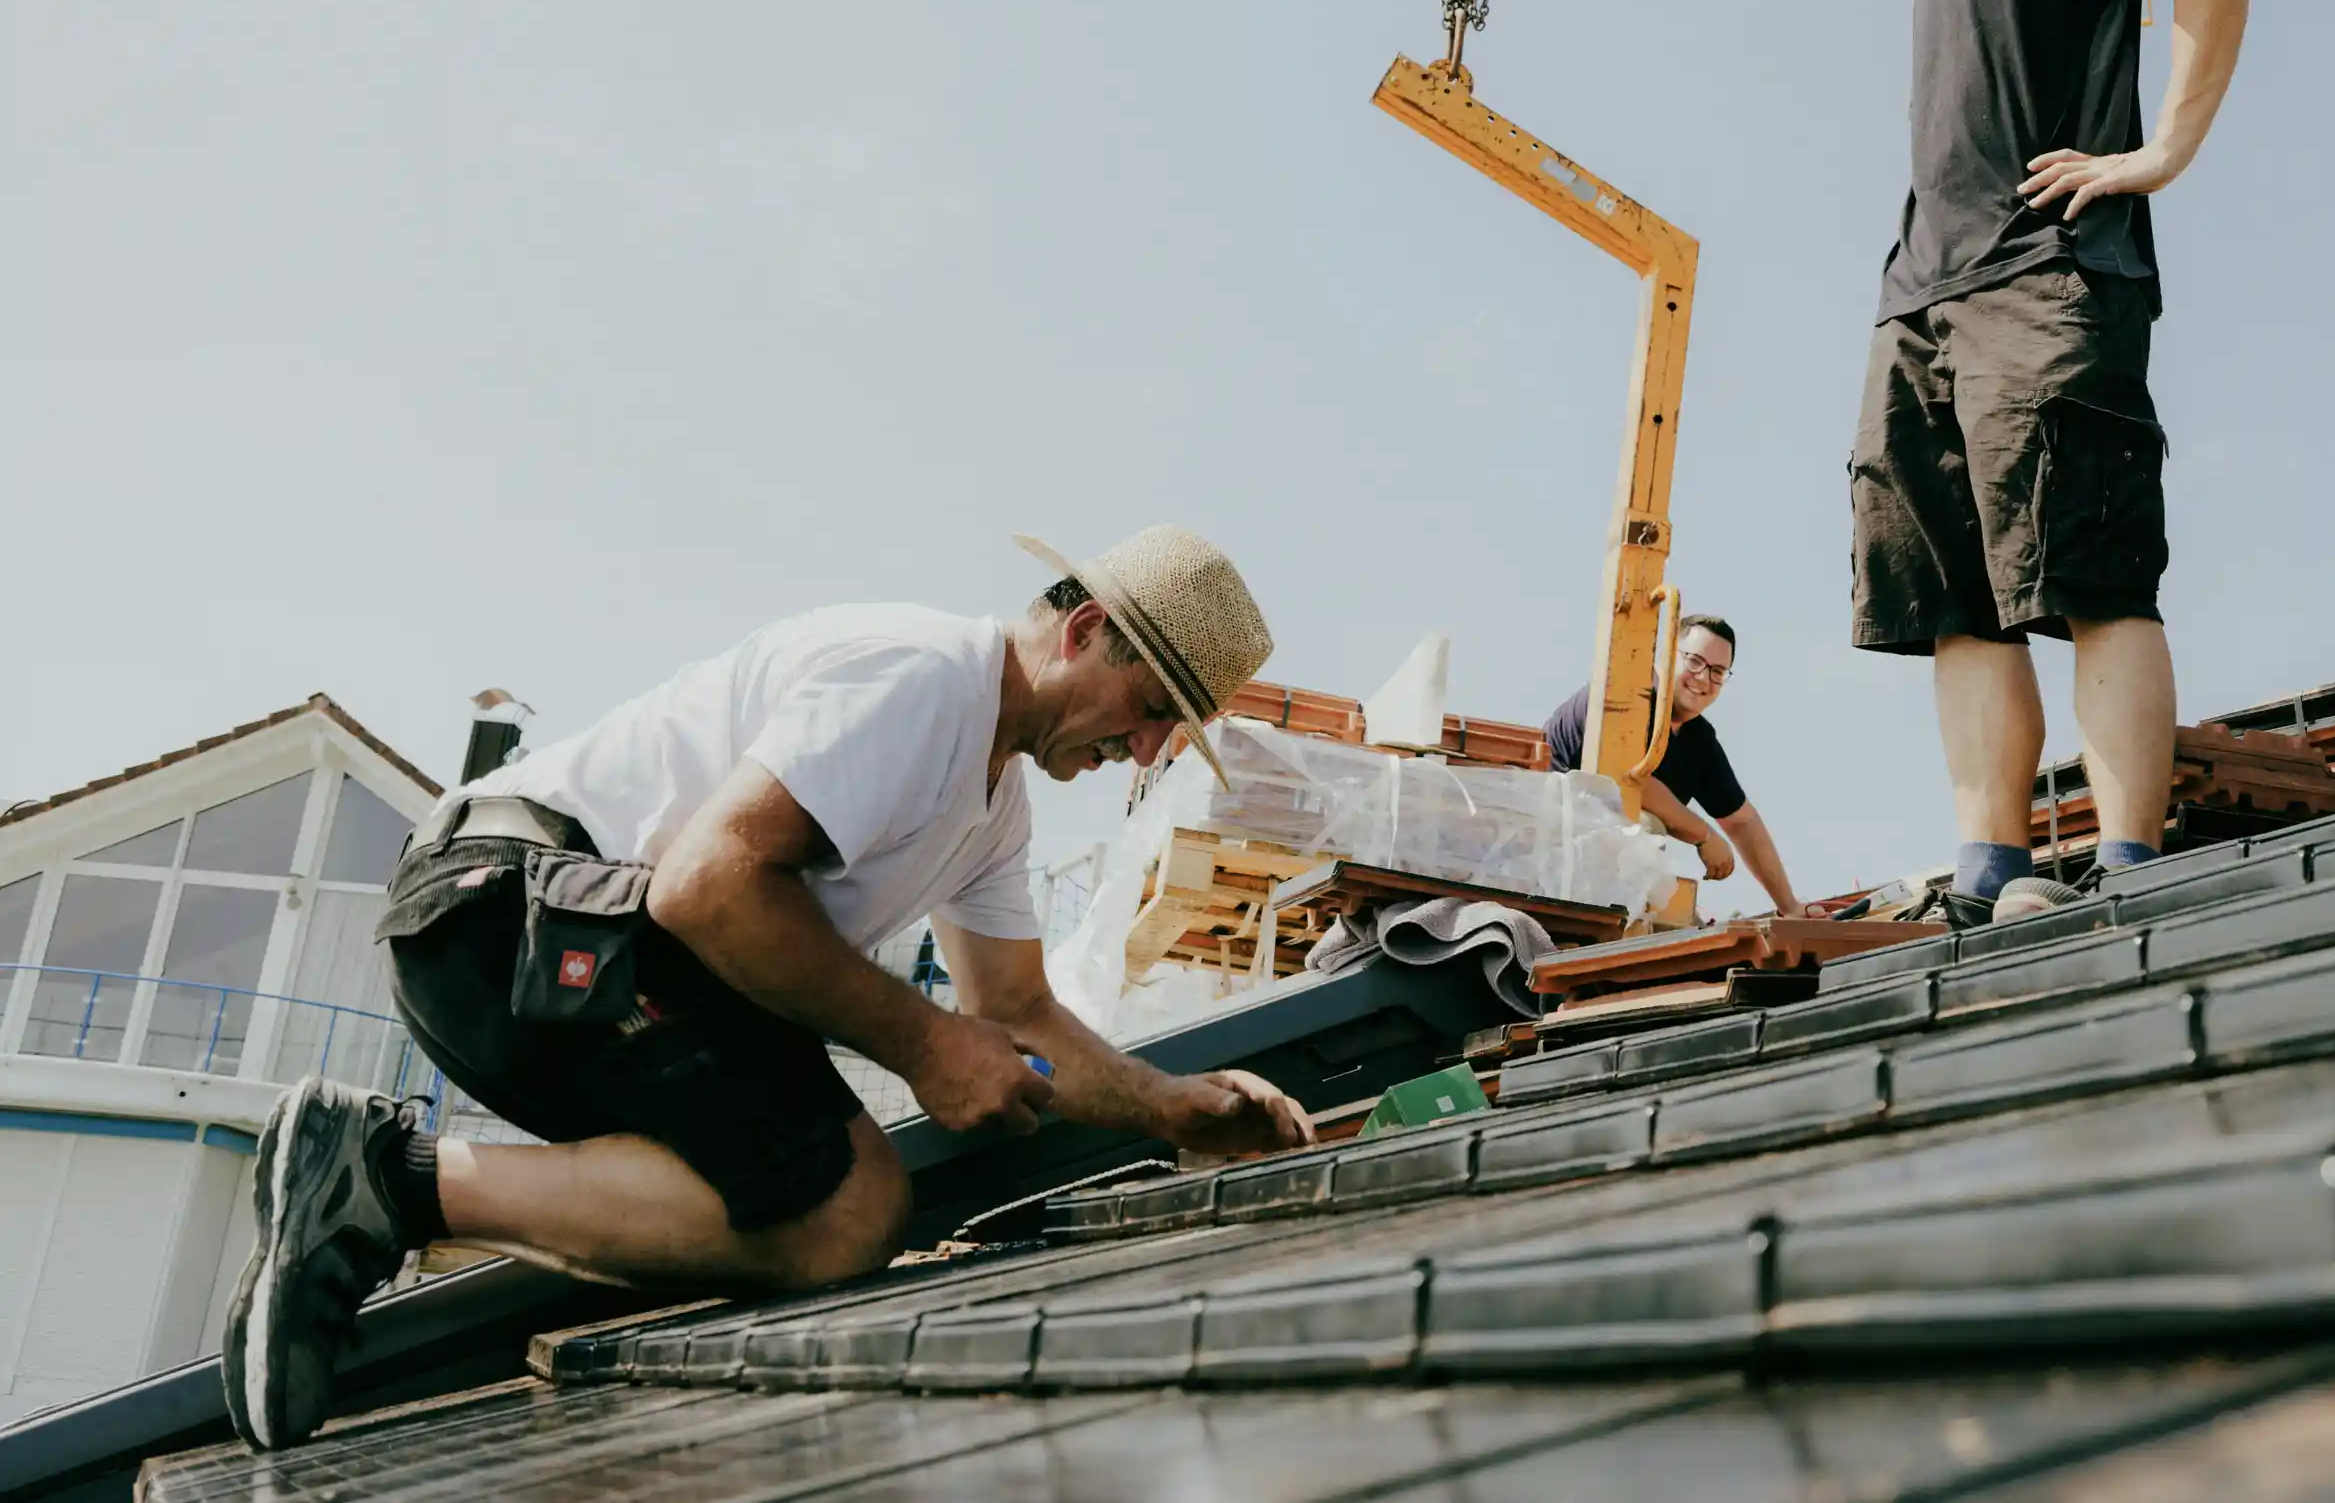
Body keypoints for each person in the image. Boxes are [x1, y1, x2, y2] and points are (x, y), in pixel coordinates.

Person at [223, 526, 1313, 1452]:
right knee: (848, 1203)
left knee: (805, 1202)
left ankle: (385, 1191)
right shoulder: (927, 679)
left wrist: (1176, 1106)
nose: (1146, 748)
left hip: (574, 945)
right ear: (1082, 633)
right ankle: (382, 1178)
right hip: (502, 908)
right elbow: (710, 885)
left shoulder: (995, 808)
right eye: (1152, 704)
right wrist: (927, 1047)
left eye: (1172, 732)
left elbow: (1017, 1012)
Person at [1799, 0, 2256, 927]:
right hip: (1921, 296)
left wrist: (2159, 153)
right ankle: (1990, 870)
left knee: (2092, 572)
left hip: (2049, 275)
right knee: (1953, 598)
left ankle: (2127, 873)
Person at [1542, 614, 1803, 917]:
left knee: (1691, 934)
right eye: (1694, 661)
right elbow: (1630, 781)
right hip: (1548, 850)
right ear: (1666, 656)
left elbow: (1742, 822)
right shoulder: (1623, 698)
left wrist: (1791, 907)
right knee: (1643, 828)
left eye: (1717, 671)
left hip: (1605, 872)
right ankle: (1618, 937)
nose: (1704, 678)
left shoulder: (1697, 740)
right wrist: (1704, 835)